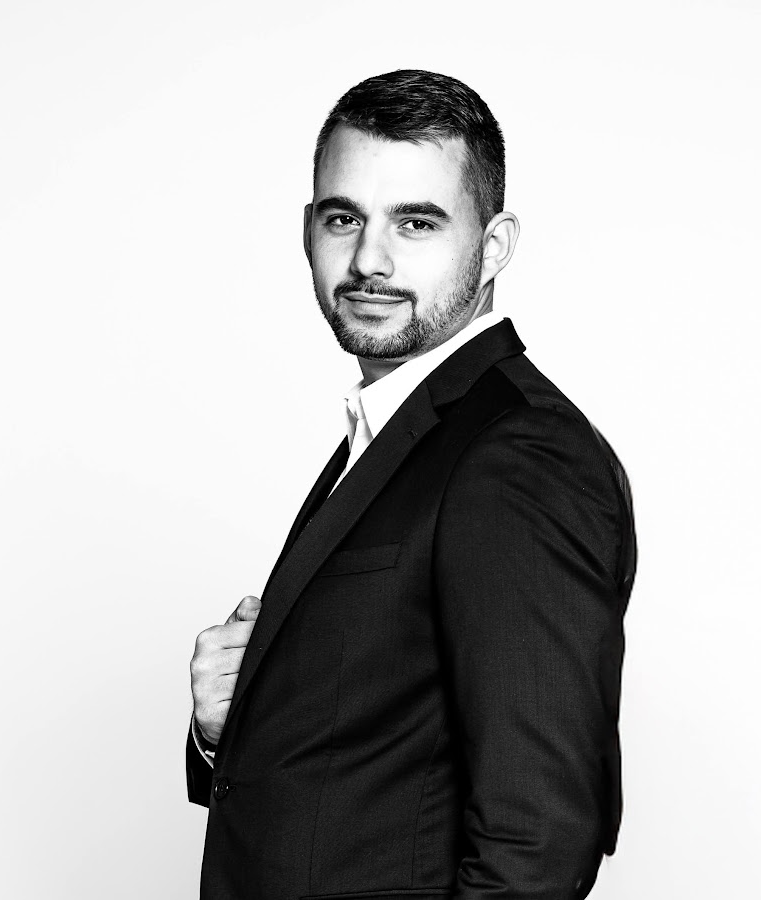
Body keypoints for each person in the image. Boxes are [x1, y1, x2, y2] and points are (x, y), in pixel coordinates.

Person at [186, 69, 636, 900]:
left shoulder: (520, 456)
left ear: (493, 246)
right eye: (344, 219)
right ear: (308, 231)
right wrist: (226, 724)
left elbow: (538, 839)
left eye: (416, 223)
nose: (369, 260)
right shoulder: (392, 431)